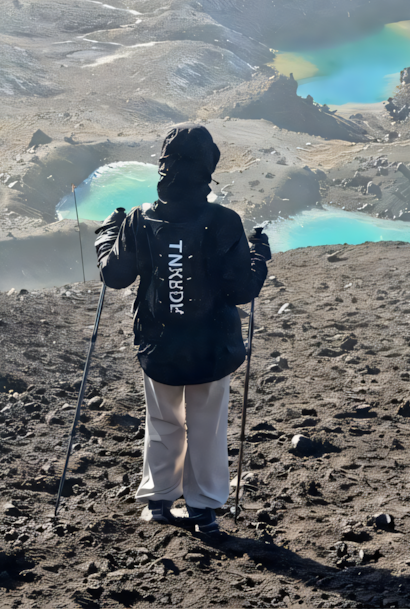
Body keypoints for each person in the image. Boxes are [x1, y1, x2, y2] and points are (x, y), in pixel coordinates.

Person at [94, 123, 271, 534]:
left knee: (163, 421)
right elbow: (242, 289)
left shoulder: (141, 218)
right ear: (207, 168)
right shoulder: (224, 221)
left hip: (160, 346)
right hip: (212, 349)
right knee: (207, 425)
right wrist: (258, 255)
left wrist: (107, 234)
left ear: (164, 167)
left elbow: (115, 276)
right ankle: (204, 508)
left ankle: (158, 499)